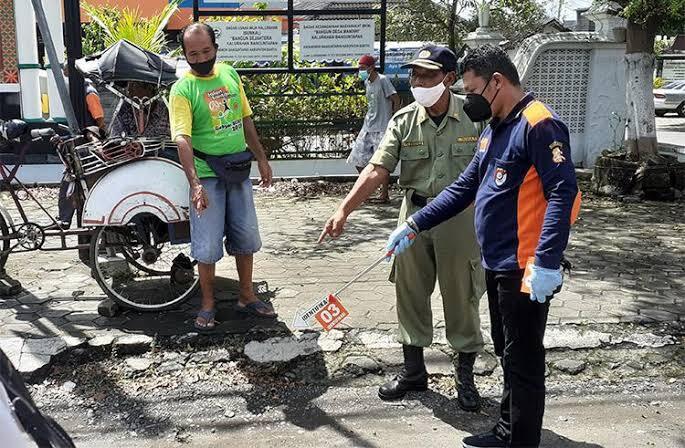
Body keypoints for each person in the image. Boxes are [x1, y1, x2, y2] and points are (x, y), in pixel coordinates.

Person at [385, 45, 581, 448]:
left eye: (473, 91)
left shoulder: (538, 124)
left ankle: (521, 440)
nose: (468, 99)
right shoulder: (495, 126)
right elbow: (465, 186)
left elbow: (563, 193)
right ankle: (507, 430)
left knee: (523, 359)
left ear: (497, 82)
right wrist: (415, 224)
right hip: (497, 260)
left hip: (525, 265)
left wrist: (545, 261)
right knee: (508, 350)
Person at [319, 46, 486, 411]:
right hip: (413, 218)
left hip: (460, 220)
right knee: (409, 293)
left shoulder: (476, 118)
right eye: (414, 75)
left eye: (427, 75)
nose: (418, 82)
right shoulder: (404, 120)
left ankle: (466, 378)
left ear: (449, 78)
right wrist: (344, 209)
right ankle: (414, 373)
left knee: (462, 297)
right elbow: (378, 168)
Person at [169, 22, 276, 330]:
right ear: (185, 55)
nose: (200, 57)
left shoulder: (230, 74)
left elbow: (245, 119)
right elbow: (182, 138)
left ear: (215, 48)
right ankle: (207, 304)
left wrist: (262, 158)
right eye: (193, 53)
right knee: (207, 246)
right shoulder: (183, 89)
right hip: (207, 175)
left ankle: (247, 295)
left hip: (238, 172)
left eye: (205, 51)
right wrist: (195, 184)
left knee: (246, 237)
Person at [347, 55, 401, 203]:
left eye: (363, 68)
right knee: (357, 159)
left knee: (381, 163)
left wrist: (394, 120)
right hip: (368, 125)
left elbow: (395, 99)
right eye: (359, 68)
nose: (360, 71)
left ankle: (384, 194)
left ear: (371, 67)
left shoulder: (383, 80)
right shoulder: (367, 82)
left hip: (382, 126)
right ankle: (367, 188)